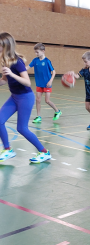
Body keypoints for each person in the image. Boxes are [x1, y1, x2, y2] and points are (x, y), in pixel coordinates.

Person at [0, 32, 51, 163]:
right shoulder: (6, 60)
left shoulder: (17, 62)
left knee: (22, 128)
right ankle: (8, 150)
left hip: (25, 98)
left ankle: (44, 152)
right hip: (14, 97)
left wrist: (12, 73)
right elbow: (4, 80)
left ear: (6, 46)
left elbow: (27, 82)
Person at [67, 51, 90, 130]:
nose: (84, 63)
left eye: (86, 62)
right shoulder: (84, 70)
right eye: (84, 62)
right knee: (87, 107)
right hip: (88, 92)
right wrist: (72, 74)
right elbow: (77, 76)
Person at [26, 43, 61, 123]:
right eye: (35, 52)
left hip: (47, 84)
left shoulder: (47, 61)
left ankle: (57, 111)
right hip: (39, 84)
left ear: (43, 51)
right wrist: (20, 70)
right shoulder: (35, 60)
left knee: (47, 101)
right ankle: (38, 116)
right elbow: (27, 67)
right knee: (38, 100)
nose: (36, 54)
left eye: (37, 52)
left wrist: (50, 81)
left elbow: (54, 72)